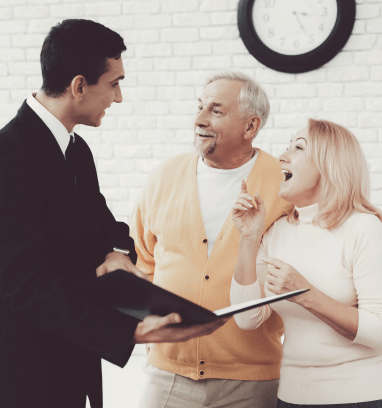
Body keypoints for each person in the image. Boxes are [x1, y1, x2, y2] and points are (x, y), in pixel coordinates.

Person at [0, 19, 226, 408]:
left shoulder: (77, 150)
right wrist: (133, 331)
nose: (118, 98)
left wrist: (114, 254)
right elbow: (24, 285)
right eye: (114, 83)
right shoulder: (10, 156)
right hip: (26, 375)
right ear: (79, 86)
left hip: (73, 367)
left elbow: (107, 229)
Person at [130, 71, 293, 408]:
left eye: (216, 111)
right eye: (200, 107)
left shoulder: (285, 183)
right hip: (168, 374)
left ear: (250, 127)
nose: (199, 120)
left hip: (252, 380)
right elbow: (141, 262)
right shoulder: (164, 175)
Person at [231, 119, 382, 407]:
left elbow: (379, 332)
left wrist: (304, 294)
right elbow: (247, 318)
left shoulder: (364, 228)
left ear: (329, 165)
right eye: (288, 146)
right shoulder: (276, 232)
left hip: (362, 397)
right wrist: (248, 241)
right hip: (291, 397)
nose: (281, 156)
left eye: (298, 147)